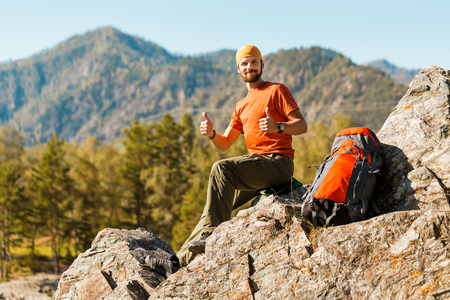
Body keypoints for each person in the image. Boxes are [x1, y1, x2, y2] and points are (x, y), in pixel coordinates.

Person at [173, 45, 308, 267]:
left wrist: (278, 127)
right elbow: (225, 143)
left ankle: (212, 237)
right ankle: (177, 262)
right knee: (213, 208)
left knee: (221, 169)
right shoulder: (241, 106)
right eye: (244, 63)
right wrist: (211, 134)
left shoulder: (277, 90)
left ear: (262, 65)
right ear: (238, 69)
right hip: (259, 170)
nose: (250, 66)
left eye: (254, 62)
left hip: (278, 164)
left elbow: (302, 125)